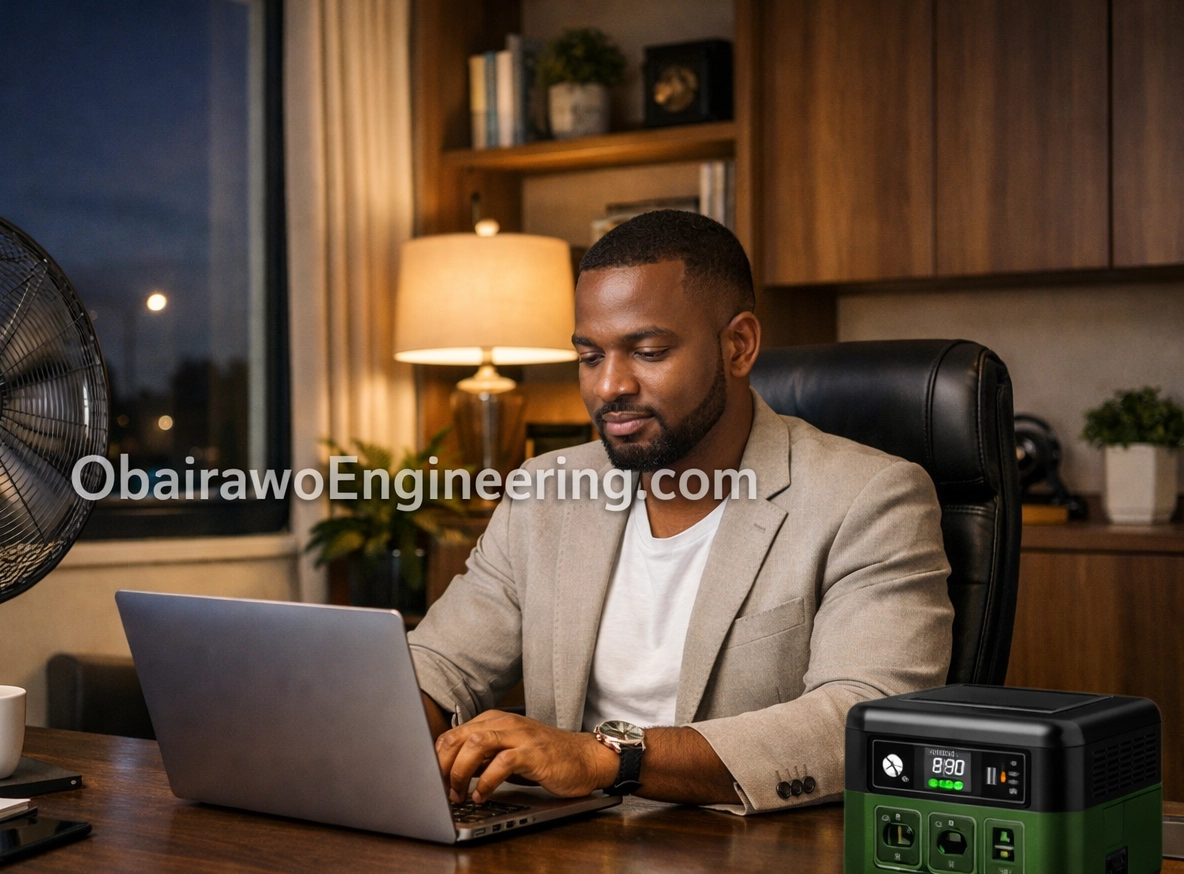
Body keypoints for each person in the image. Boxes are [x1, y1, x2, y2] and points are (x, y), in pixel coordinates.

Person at [408, 210, 954, 815]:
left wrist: (606, 758)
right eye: (590, 357)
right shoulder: (545, 492)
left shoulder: (869, 497)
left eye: (648, 351)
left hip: (752, 854)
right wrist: (383, 718)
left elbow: (865, 719)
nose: (609, 386)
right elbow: (439, 665)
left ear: (738, 346)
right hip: (564, 851)